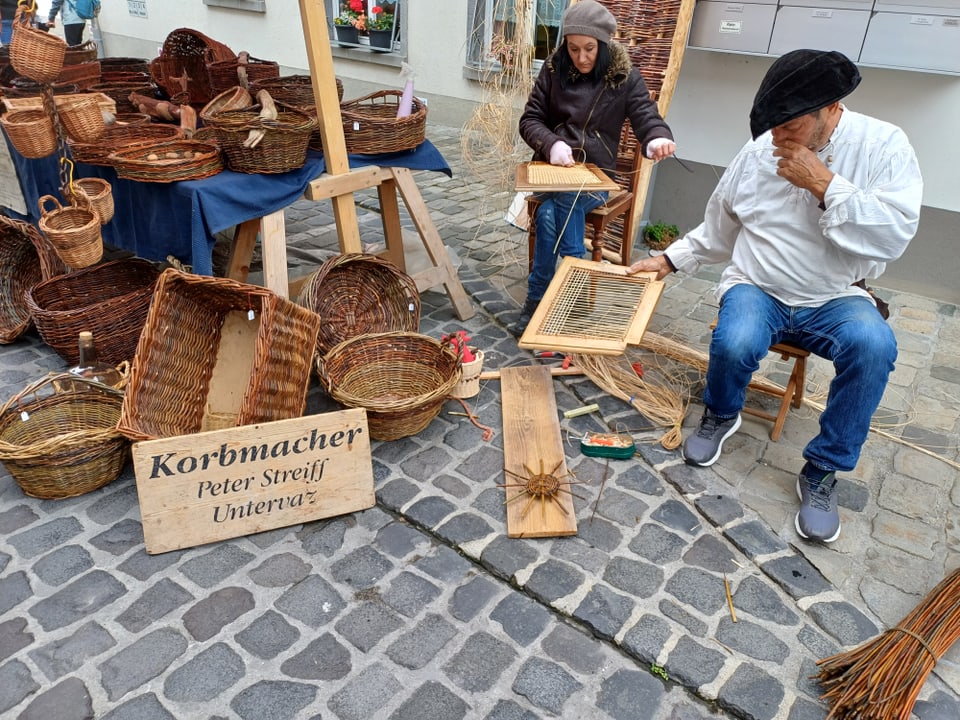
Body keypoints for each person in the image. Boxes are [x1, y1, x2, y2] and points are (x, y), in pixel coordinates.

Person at [627, 49, 923, 543]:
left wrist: (825, 185)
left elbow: (894, 234)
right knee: (736, 338)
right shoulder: (761, 148)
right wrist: (670, 259)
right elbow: (721, 222)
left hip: (834, 294)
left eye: (789, 126)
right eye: (772, 126)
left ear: (830, 110)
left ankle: (824, 469)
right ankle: (721, 412)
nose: (776, 138)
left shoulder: (884, 145)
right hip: (759, 283)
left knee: (874, 347)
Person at [512, 0, 676, 336]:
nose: (582, 57)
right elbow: (530, 119)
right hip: (554, 171)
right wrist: (551, 144)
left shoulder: (623, 76)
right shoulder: (554, 69)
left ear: (604, 45)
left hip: (597, 177)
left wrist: (657, 139)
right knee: (556, 204)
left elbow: (647, 116)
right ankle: (573, 300)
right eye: (573, 49)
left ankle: (537, 300)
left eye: (589, 49)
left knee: (550, 213)